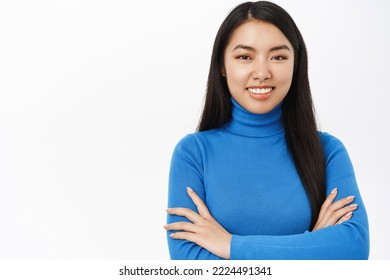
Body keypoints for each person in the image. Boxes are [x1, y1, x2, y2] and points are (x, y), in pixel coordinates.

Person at [164, 1, 369, 260]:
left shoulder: (327, 151)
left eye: (278, 57)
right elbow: (191, 266)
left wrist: (230, 246)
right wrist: (314, 245)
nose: (261, 72)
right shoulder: (193, 153)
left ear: (296, 64)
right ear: (222, 66)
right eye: (244, 57)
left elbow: (355, 248)